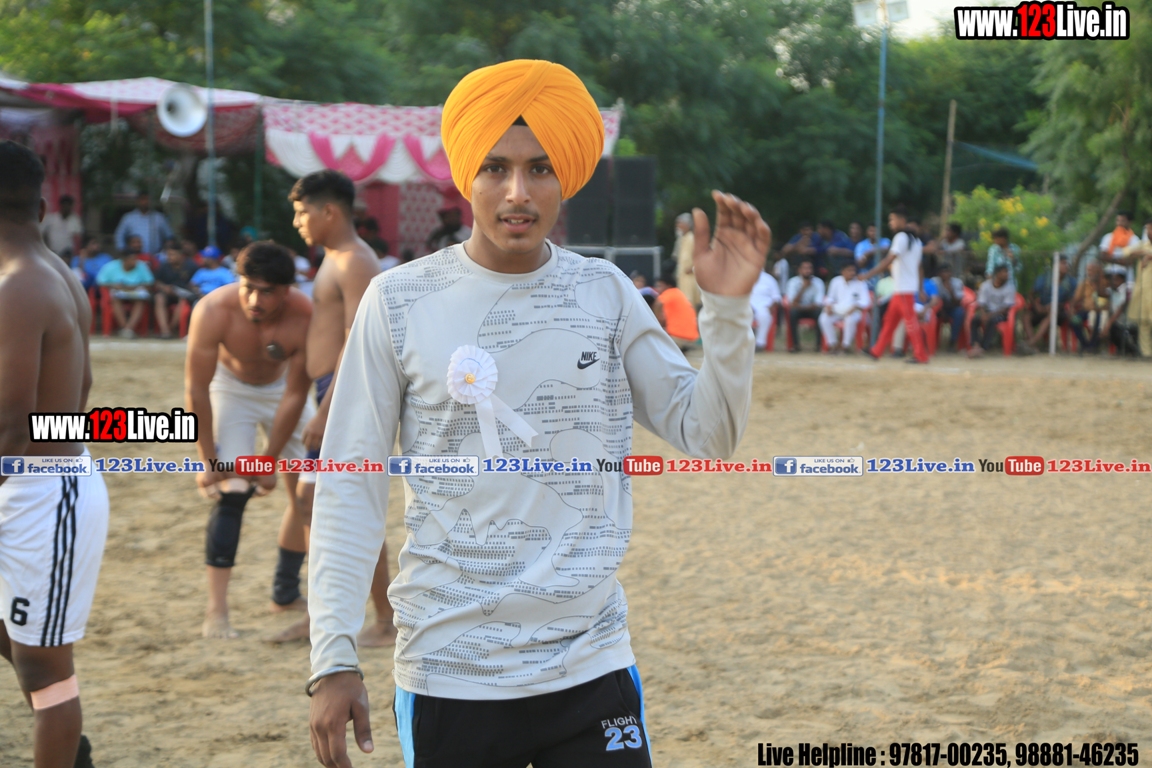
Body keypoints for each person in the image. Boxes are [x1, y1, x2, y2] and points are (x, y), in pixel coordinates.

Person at [305, 58, 767, 768]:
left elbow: (708, 434)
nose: (517, 192)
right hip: (450, 672)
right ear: (466, 175)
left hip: (591, 665)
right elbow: (349, 485)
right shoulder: (399, 301)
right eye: (495, 168)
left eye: (540, 168)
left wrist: (728, 310)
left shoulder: (605, 293)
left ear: (566, 179)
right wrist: (333, 656)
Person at [0, 140, 106, 768]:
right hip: (37, 481)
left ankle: (66, 746)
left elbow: (12, 425)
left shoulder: (20, 284)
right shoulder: (54, 270)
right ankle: (69, 748)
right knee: (25, 647)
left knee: (44, 666)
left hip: (42, 491)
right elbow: (82, 386)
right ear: (41, 207)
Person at [265, 169, 390, 647]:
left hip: (345, 398)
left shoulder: (355, 261)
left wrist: (326, 410)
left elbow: (358, 341)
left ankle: (382, 619)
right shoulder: (335, 259)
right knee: (313, 503)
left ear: (330, 211)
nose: (298, 222)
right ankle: (326, 615)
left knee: (342, 505)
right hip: (329, 393)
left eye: (303, 212)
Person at [861, 205, 929, 364]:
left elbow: (889, 260)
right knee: (889, 322)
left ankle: (921, 355)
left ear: (901, 220)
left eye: (892, 219)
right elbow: (919, 267)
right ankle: (876, 351)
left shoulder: (901, 237)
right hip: (902, 289)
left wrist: (868, 274)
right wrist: (920, 288)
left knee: (910, 323)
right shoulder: (916, 240)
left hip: (904, 289)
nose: (890, 223)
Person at [95, 248, 154, 339]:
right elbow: (100, 282)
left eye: (135, 259)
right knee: (115, 299)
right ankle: (126, 328)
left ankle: (127, 329)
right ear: (124, 260)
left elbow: (150, 283)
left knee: (141, 301)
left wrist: (136, 286)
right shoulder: (110, 267)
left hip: (136, 295)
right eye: (132, 259)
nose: (135, 261)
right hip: (118, 294)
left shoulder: (141, 266)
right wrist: (113, 285)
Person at [819, 261, 871, 353]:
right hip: (838, 310)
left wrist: (855, 306)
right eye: (849, 270)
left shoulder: (860, 283)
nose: (852, 273)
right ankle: (833, 344)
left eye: (853, 270)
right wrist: (829, 305)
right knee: (824, 318)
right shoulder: (835, 281)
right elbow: (830, 297)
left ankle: (845, 346)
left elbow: (866, 301)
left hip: (854, 311)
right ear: (842, 272)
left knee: (850, 319)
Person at [968, 263, 1016, 358]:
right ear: (997, 274)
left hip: (1001, 314)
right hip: (987, 311)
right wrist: (983, 314)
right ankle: (975, 345)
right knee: (975, 320)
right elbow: (981, 303)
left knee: (992, 321)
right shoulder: (986, 285)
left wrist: (989, 316)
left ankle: (983, 348)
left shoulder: (1010, 288)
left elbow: (1006, 308)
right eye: (1005, 272)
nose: (1007, 275)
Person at [1027, 256, 1075, 350]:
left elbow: (1071, 301)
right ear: (1055, 266)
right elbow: (1031, 294)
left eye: (1067, 263)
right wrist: (1037, 306)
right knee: (1026, 317)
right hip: (1042, 308)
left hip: (1059, 312)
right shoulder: (1044, 278)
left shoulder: (1071, 282)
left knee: (1052, 314)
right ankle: (1034, 347)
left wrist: (1056, 305)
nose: (1066, 266)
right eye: (1063, 263)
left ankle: (1031, 343)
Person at [153, 241, 198, 339]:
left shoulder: (191, 266)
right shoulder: (164, 266)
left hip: (185, 295)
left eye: (172, 254)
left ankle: (171, 328)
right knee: (159, 298)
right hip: (168, 294)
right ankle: (165, 330)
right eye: (168, 254)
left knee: (183, 300)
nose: (169, 257)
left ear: (180, 255)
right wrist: (164, 287)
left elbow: (196, 283)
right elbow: (157, 281)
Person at [783, 259, 824, 352]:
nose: (808, 270)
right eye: (805, 268)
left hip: (812, 310)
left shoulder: (818, 282)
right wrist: (803, 288)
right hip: (799, 310)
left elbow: (818, 304)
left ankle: (819, 345)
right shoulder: (792, 282)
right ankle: (795, 345)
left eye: (810, 268)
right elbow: (792, 303)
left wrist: (800, 306)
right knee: (792, 313)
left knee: (820, 314)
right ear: (799, 270)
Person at [654, 274, 699, 350]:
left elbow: (657, 307)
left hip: (677, 337)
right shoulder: (679, 294)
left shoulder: (668, 294)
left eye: (660, 286)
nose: (657, 289)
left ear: (668, 286)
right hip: (692, 338)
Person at [931, 263, 966, 350]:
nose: (946, 274)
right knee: (932, 313)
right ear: (939, 274)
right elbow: (933, 300)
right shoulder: (934, 282)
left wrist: (950, 291)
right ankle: (932, 342)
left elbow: (958, 302)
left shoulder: (957, 282)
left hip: (952, 306)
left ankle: (953, 341)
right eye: (943, 272)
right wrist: (942, 312)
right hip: (938, 308)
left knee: (959, 312)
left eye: (948, 272)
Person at [39, 194, 83, 260]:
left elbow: (79, 234)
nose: (67, 208)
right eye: (66, 205)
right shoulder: (51, 219)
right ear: (61, 205)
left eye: (70, 205)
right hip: (52, 251)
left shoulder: (75, 220)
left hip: (67, 253)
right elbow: (42, 233)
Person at [750, 262, 781, 351]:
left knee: (764, 315)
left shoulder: (769, 279)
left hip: (764, 306)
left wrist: (771, 307)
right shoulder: (743, 277)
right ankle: (744, 344)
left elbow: (777, 297)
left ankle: (760, 343)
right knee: (743, 315)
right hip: (747, 306)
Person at [1099, 210, 1136, 282]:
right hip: (1109, 274)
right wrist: (1120, 260)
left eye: (1123, 221)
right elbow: (1102, 256)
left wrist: (1110, 259)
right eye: (1117, 220)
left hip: (1125, 277)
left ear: (1130, 222)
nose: (1119, 223)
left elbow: (1130, 261)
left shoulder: (1134, 239)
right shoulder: (1108, 237)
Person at [673, 212, 700, 307]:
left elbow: (700, 257)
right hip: (681, 278)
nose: (677, 226)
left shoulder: (692, 239)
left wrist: (692, 268)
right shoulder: (681, 239)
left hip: (690, 277)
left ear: (687, 225)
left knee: (689, 304)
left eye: (680, 223)